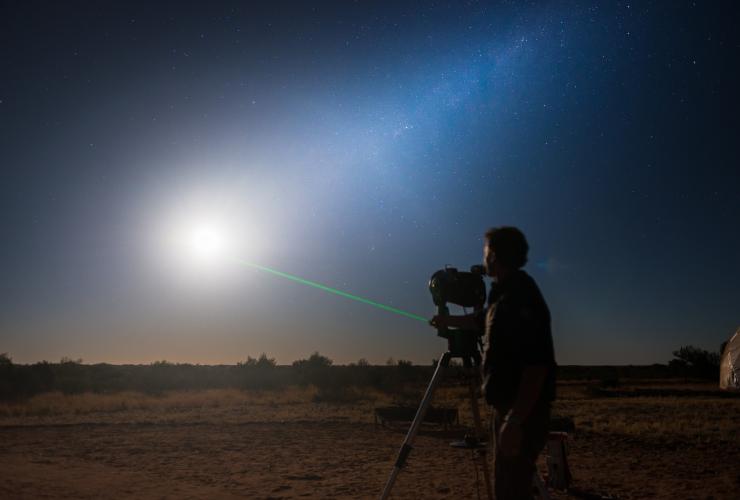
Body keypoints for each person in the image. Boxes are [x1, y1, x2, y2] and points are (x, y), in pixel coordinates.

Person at [430, 226, 556, 499]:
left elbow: (537, 366)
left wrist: (514, 420)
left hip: (521, 412)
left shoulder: (520, 295)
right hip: (510, 409)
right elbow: (479, 321)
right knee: (508, 485)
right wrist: (447, 320)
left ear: (495, 255)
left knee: (511, 490)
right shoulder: (503, 293)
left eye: (485, 251)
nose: (482, 256)